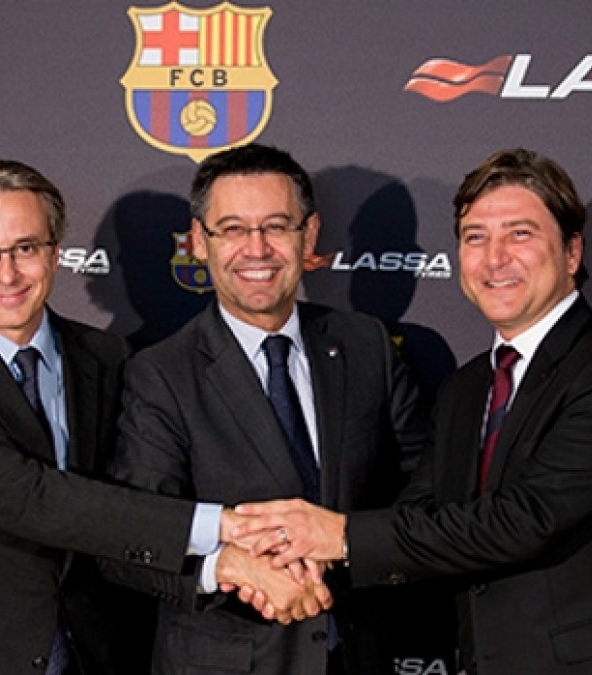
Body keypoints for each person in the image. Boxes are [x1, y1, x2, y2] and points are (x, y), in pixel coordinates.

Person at [235, 148, 592, 674]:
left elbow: (526, 519)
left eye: (519, 234)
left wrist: (339, 536)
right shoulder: (466, 388)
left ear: (572, 252)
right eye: (475, 237)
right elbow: (421, 516)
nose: (494, 258)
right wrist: (296, 565)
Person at [0, 158, 318, 675]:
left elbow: (124, 510)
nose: (7, 273)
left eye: (26, 248)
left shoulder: (107, 358)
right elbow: (31, 498)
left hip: (94, 656)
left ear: (56, 252)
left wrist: (222, 566)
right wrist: (225, 527)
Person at [110, 143, 427, 675]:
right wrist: (226, 568)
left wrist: (349, 541)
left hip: (362, 653)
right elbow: (135, 536)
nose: (256, 249)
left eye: (276, 226)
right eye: (232, 229)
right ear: (199, 241)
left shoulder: (365, 344)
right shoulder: (160, 373)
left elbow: (427, 486)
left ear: (309, 234)